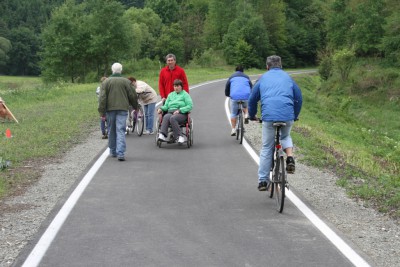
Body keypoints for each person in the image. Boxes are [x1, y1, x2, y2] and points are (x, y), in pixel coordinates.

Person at [248, 55, 303, 191]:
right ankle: (289, 157)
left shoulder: (262, 79)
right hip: (287, 116)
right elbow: (299, 98)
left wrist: (252, 115)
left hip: (269, 117)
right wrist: (294, 115)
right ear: (281, 65)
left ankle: (263, 181)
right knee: (285, 137)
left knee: (267, 147)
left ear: (267, 67)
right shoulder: (288, 78)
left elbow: (252, 99)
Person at [98, 63, 138, 161]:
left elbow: (102, 98)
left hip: (110, 109)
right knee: (120, 129)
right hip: (122, 108)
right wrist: (135, 106)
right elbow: (132, 95)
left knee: (111, 129)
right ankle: (121, 152)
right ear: (121, 70)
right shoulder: (126, 82)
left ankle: (113, 150)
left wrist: (102, 111)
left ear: (112, 70)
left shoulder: (106, 82)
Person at [157, 79, 193, 144]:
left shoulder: (185, 95)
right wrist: (161, 108)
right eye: (175, 86)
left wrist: (180, 110)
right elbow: (166, 106)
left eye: (177, 86)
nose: (176, 88)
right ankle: (162, 135)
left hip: (181, 113)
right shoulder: (170, 95)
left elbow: (190, 106)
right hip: (170, 111)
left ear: (181, 86)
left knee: (173, 118)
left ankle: (180, 136)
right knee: (166, 117)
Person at [225, 65, 253, 136]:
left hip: (234, 96)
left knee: (233, 113)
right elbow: (251, 86)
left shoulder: (232, 77)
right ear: (243, 71)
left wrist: (228, 94)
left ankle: (233, 129)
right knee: (245, 106)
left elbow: (227, 87)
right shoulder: (246, 77)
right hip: (246, 96)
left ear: (236, 70)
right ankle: (246, 115)